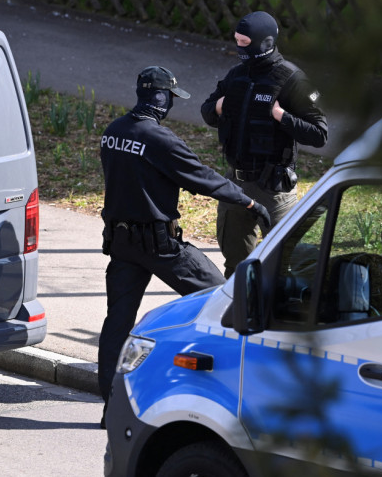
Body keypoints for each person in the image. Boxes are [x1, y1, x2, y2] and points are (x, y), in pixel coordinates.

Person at [98, 66, 270, 428]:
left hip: (121, 244)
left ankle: (109, 410)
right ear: (161, 99)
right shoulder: (160, 140)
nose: (171, 105)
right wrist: (249, 204)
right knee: (222, 299)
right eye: (171, 98)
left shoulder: (112, 133)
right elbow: (203, 177)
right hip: (159, 246)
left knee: (117, 324)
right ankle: (233, 390)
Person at [201, 11, 328, 278]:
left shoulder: (294, 79)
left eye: (244, 43)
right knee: (236, 268)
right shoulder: (236, 75)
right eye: (236, 40)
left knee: (283, 265)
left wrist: (281, 116)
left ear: (265, 42)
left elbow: (319, 134)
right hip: (235, 186)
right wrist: (219, 107)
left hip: (274, 188)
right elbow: (207, 111)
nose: (238, 48)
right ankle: (236, 317)